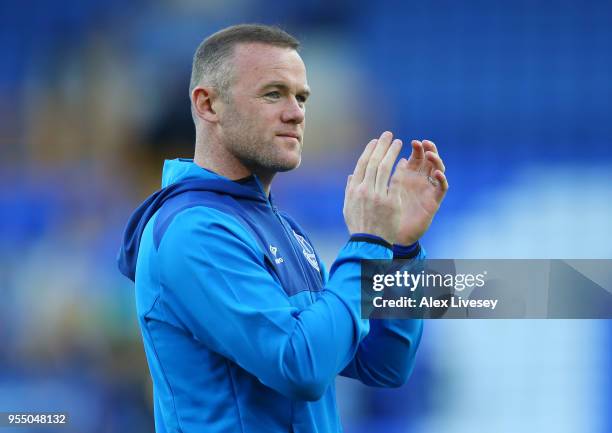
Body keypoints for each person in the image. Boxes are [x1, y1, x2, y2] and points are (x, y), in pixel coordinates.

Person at [118, 24, 447, 433]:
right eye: (273, 93)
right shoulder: (193, 232)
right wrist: (367, 243)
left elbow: (384, 363)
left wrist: (399, 250)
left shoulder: (282, 228)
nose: (295, 112)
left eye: (301, 96)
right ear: (207, 105)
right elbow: (299, 366)